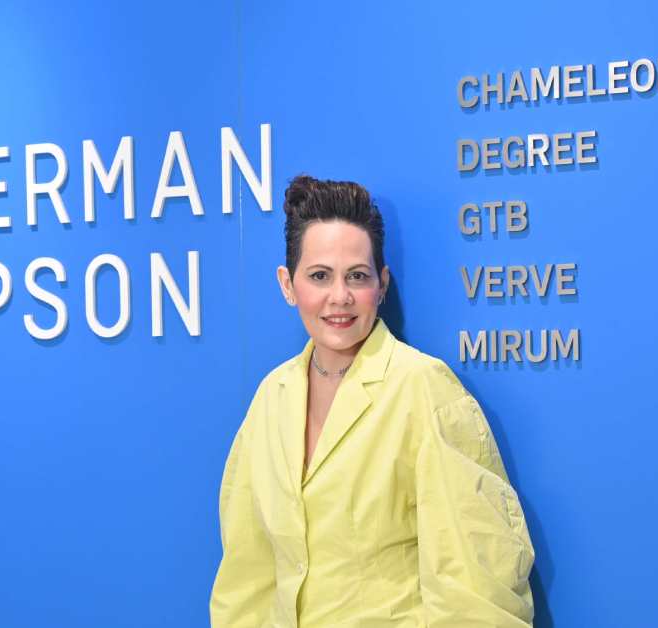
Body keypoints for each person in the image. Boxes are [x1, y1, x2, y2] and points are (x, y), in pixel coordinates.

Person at [209, 175, 536, 627]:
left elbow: (476, 590)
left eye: (357, 276)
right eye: (319, 276)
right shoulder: (271, 398)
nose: (339, 297)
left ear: (381, 285)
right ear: (288, 284)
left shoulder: (423, 388)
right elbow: (246, 578)